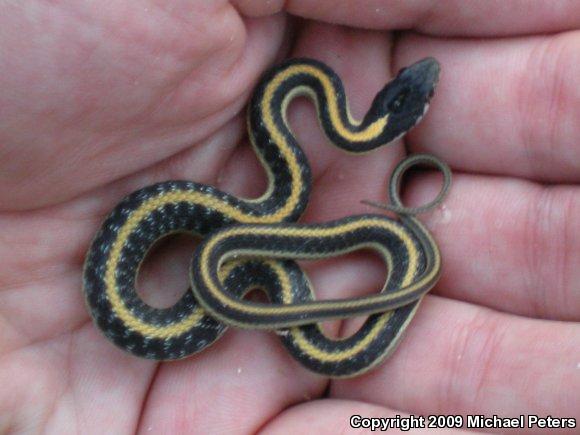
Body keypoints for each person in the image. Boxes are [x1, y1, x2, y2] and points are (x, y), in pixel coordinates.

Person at [1, 1, 579, 433]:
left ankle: (330, 302)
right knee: (264, 232)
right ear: (389, 108)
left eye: (417, 96)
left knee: (277, 255)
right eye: (416, 95)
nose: (422, 87)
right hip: (148, 293)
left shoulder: (310, 92)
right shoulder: (305, 88)